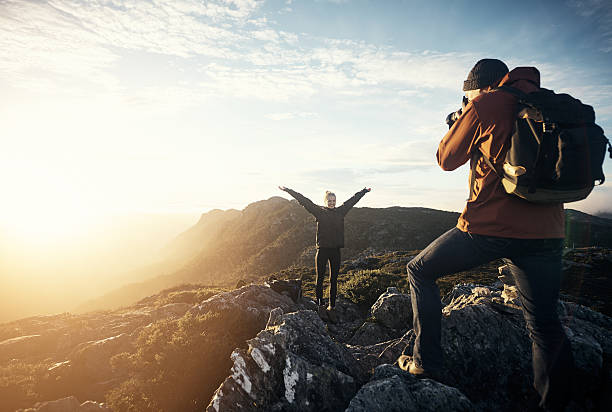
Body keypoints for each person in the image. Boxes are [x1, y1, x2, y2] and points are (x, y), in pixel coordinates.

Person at [401, 59, 574, 411]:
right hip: (547, 233)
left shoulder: (486, 103)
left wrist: (464, 117)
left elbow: (445, 158)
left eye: (467, 94)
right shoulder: (550, 104)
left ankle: (426, 363)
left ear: (478, 88)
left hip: (488, 228)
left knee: (420, 270)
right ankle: (558, 404)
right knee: (543, 325)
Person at [279, 186, 371, 318]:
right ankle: (320, 304)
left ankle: (332, 305)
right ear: (325, 201)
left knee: (333, 279)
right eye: (330, 201)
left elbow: (352, 201)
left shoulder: (341, 211)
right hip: (322, 250)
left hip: (335, 251)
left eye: (334, 200)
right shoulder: (319, 211)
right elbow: (304, 200)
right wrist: (288, 190)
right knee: (320, 279)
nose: (332, 203)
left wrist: (363, 191)